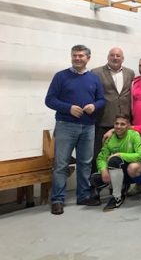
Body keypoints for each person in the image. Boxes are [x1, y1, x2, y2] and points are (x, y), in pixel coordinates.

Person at [45, 44, 106, 215]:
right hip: (66, 125)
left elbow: (102, 100)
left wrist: (94, 106)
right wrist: (68, 108)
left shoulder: (93, 78)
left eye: (81, 55)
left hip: (88, 126)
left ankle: (83, 196)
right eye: (74, 55)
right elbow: (49, 100)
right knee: (61, 164)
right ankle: (57, 200)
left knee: (85, 163)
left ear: (88, 58)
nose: (77, 58)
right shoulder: (61, 76)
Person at [90, 114, 141, 211]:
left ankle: (117, 197)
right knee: (95, 178)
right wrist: (103, 170)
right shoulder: (111, 138)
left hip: (133, 172)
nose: (118, 127)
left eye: (122, 124)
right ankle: (120, 187)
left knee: (114, 160)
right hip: (118, 170)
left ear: (128, 125)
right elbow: (101, 157)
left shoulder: (134, 135)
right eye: (116, 124)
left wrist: (120, 155)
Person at [92, 47, 135, 173]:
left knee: (122, 156)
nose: (115, 58)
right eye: (112, 55)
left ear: (123, 58)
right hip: (103, 121)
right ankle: (96, 184)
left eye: (118, 55)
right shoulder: (96, 72)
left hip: (124, 123)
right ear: (108, 57)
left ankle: (119, 187)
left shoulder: (130, 73)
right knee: (99, 154)